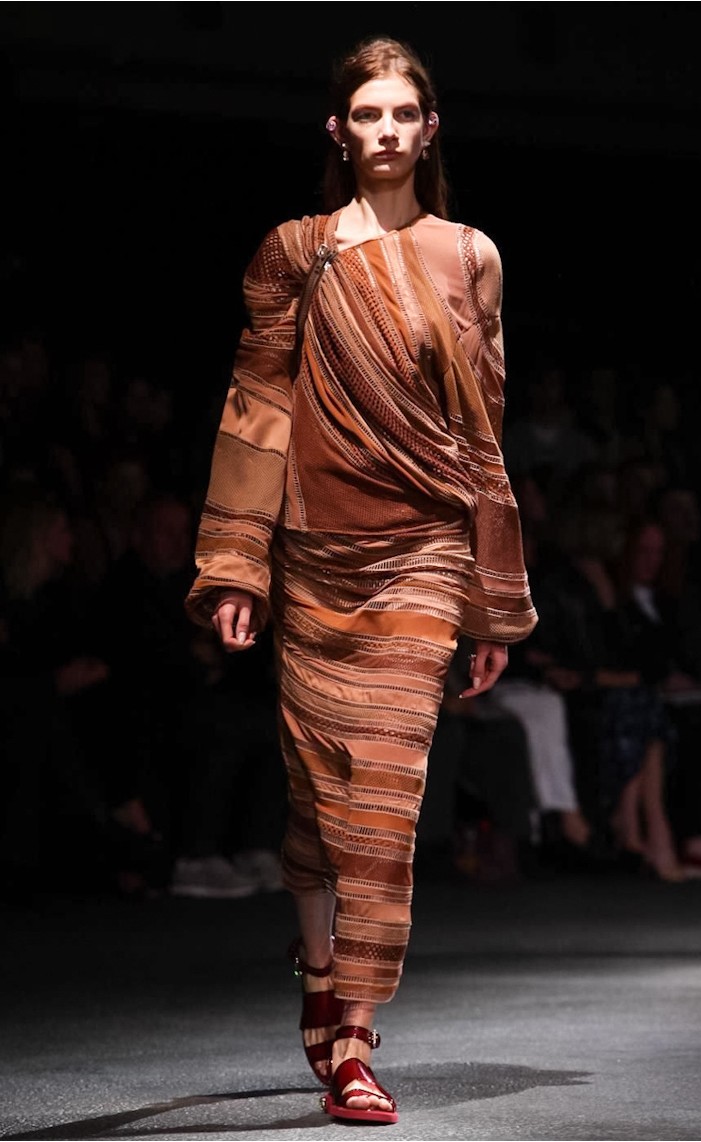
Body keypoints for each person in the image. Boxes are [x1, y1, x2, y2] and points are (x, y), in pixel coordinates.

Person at [184, 35, 537, 1126]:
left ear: (429, 130)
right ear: (338, 131)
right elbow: (258, 408)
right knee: (315, 795)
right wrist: (236, 562)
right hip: (315, 556)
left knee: (384, 802)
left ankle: (353, 1034)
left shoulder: (470, 255)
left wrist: (489, 593)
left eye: (403, 114)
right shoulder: (297, 253)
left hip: (423, 554)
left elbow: (481, 433)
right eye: (367, 114)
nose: (386, 131)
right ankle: (318, 960)